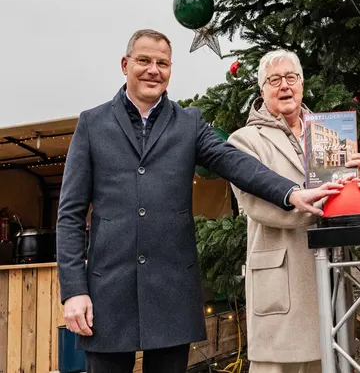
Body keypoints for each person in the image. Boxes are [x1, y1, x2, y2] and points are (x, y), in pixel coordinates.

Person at [56, 30, 341, 373]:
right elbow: (70, 216)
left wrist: (290, 193)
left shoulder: (188, 123)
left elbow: (236, 163)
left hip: (171, 294)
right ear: (125, 64)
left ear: (170, 69)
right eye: (144, 60)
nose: (153, 70)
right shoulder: (92, 123)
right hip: (107, 294)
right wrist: (74, 290)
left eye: (162, 63)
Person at [227, 50, 360, 373]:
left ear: (302, 85)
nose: (284, 86)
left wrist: (357, 180)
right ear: (262, 90)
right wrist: (321, 201)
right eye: (274, 80)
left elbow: (348, 204)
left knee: (331, 362)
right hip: (283, 283)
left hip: (329, 278)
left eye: (291, 78)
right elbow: (258, 204)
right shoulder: (244, 141)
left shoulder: (328, 134)